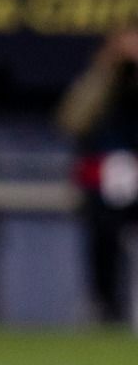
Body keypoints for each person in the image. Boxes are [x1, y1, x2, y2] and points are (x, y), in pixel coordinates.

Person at [55, 26, 138, 323]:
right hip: (103, 185)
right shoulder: (101, 80)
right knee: (102, 234)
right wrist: (106, 69)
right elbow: (72, 120)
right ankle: (104, 306)